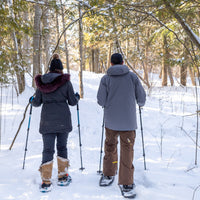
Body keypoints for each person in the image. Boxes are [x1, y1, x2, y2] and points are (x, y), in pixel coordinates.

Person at [97, 53, 146, 198]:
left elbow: (101, 100)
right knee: (127, 150)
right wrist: (140, 104)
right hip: (128, 122)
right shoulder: (132, 77)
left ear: (111, 63)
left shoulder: (106, 79)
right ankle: (126, 183)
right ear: (123, 62)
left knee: (110, 146)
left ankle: (108, 174)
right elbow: (141, 98)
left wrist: (108, 103)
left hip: (111, 121)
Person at [29, 54, 80, 192]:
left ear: (50, 69)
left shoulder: (42, 83)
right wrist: (76, 97)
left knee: (48, 149)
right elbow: (72, 102)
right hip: (63, 121)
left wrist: (31, 100)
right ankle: (63, 177)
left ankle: (46, 181)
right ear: (60, 70)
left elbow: (36, 103)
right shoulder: (66, 82)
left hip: (47, 122)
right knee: (62, 147)